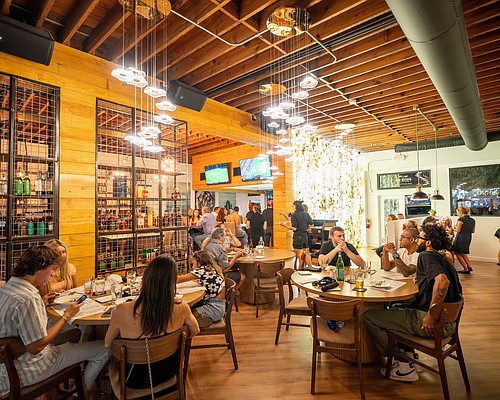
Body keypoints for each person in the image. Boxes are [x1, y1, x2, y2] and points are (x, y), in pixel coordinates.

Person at [0, 245, 111, 396]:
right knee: (106, 347)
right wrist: (67, 316)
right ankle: (77, 395)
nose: (52, 273)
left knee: (74, 335)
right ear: (38, 269)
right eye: (51, 269)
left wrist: (42, 303)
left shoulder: (6, 289)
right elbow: (36, 347)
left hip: (4, 370)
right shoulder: (29, 298)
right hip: (28, 370)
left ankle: (61, 391)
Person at [364, 224, 462, 382]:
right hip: (449, 323)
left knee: (369, 317)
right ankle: (409, 354)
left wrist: (431, 315)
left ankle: (403, 365)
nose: (417, 241)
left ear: (428, 242)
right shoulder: (444, 260)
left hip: (431, 323)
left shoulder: (426, 255)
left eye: (420, 238)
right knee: (397, 306)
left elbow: (442, 282)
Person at [104, 254, 199, 389]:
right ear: (173, 281)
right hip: (170, 372)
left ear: (146, 278)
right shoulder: (181, 306)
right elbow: (195, 330)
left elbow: (108, 344)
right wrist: (171, 343)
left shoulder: (122, 310)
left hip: (134, 379)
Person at [177, 251, 225, 328]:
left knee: (186, 316)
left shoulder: (202, 270)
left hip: (214, 308)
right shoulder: (211, 268)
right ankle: (201, 321)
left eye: (193, 264)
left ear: (199, 262)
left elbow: (178, 279)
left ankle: (199, 323)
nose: (192, 267)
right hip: (219, 306)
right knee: (188, 312)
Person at [280, 200, 313, 268]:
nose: (292, 207)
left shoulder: (294, 215)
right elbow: (311, 223)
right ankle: (310, 267)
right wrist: (307, 228)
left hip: (298, 236)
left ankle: (300, 269)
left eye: (293, 206)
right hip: (305, 236)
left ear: (296, 206)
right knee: (307, 253)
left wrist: (285, 226)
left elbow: (294, 228)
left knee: (299, 254)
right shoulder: (306, 214)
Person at [453, 206, 475, 274]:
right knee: (463, 253)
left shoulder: (461, 219)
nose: (457, 214)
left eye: (457, 212)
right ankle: (469, 266)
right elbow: (473, 231)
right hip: (468, 237)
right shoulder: (472, 220)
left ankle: (465, 269)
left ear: (461, 212)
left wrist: (453, 228)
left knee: (457, 253)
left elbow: (458, 230)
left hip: (461, 237)